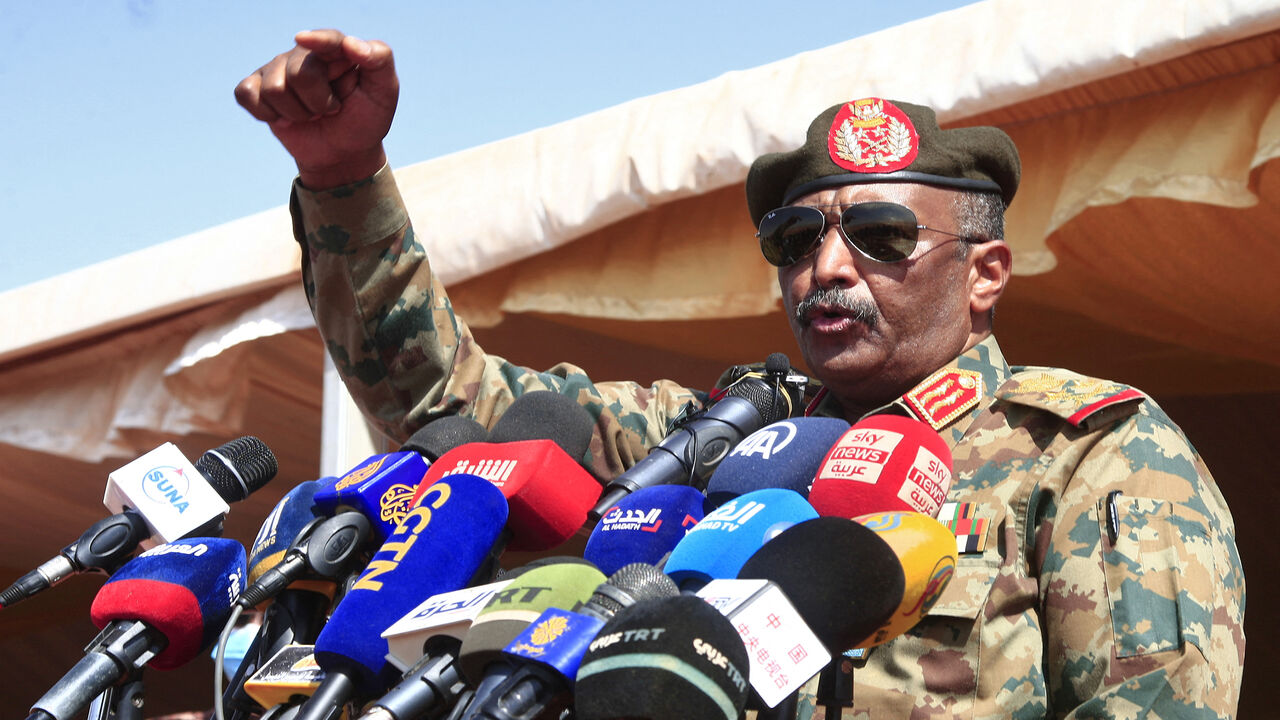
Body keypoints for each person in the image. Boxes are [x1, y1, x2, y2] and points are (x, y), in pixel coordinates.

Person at [236, 30, 1245, 719]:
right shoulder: (712, 439)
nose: (828, 266)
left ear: (983, 274)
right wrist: (341, 181)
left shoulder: (1086, 453)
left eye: (883, 234)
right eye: (796, 237)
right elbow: (448, 411)